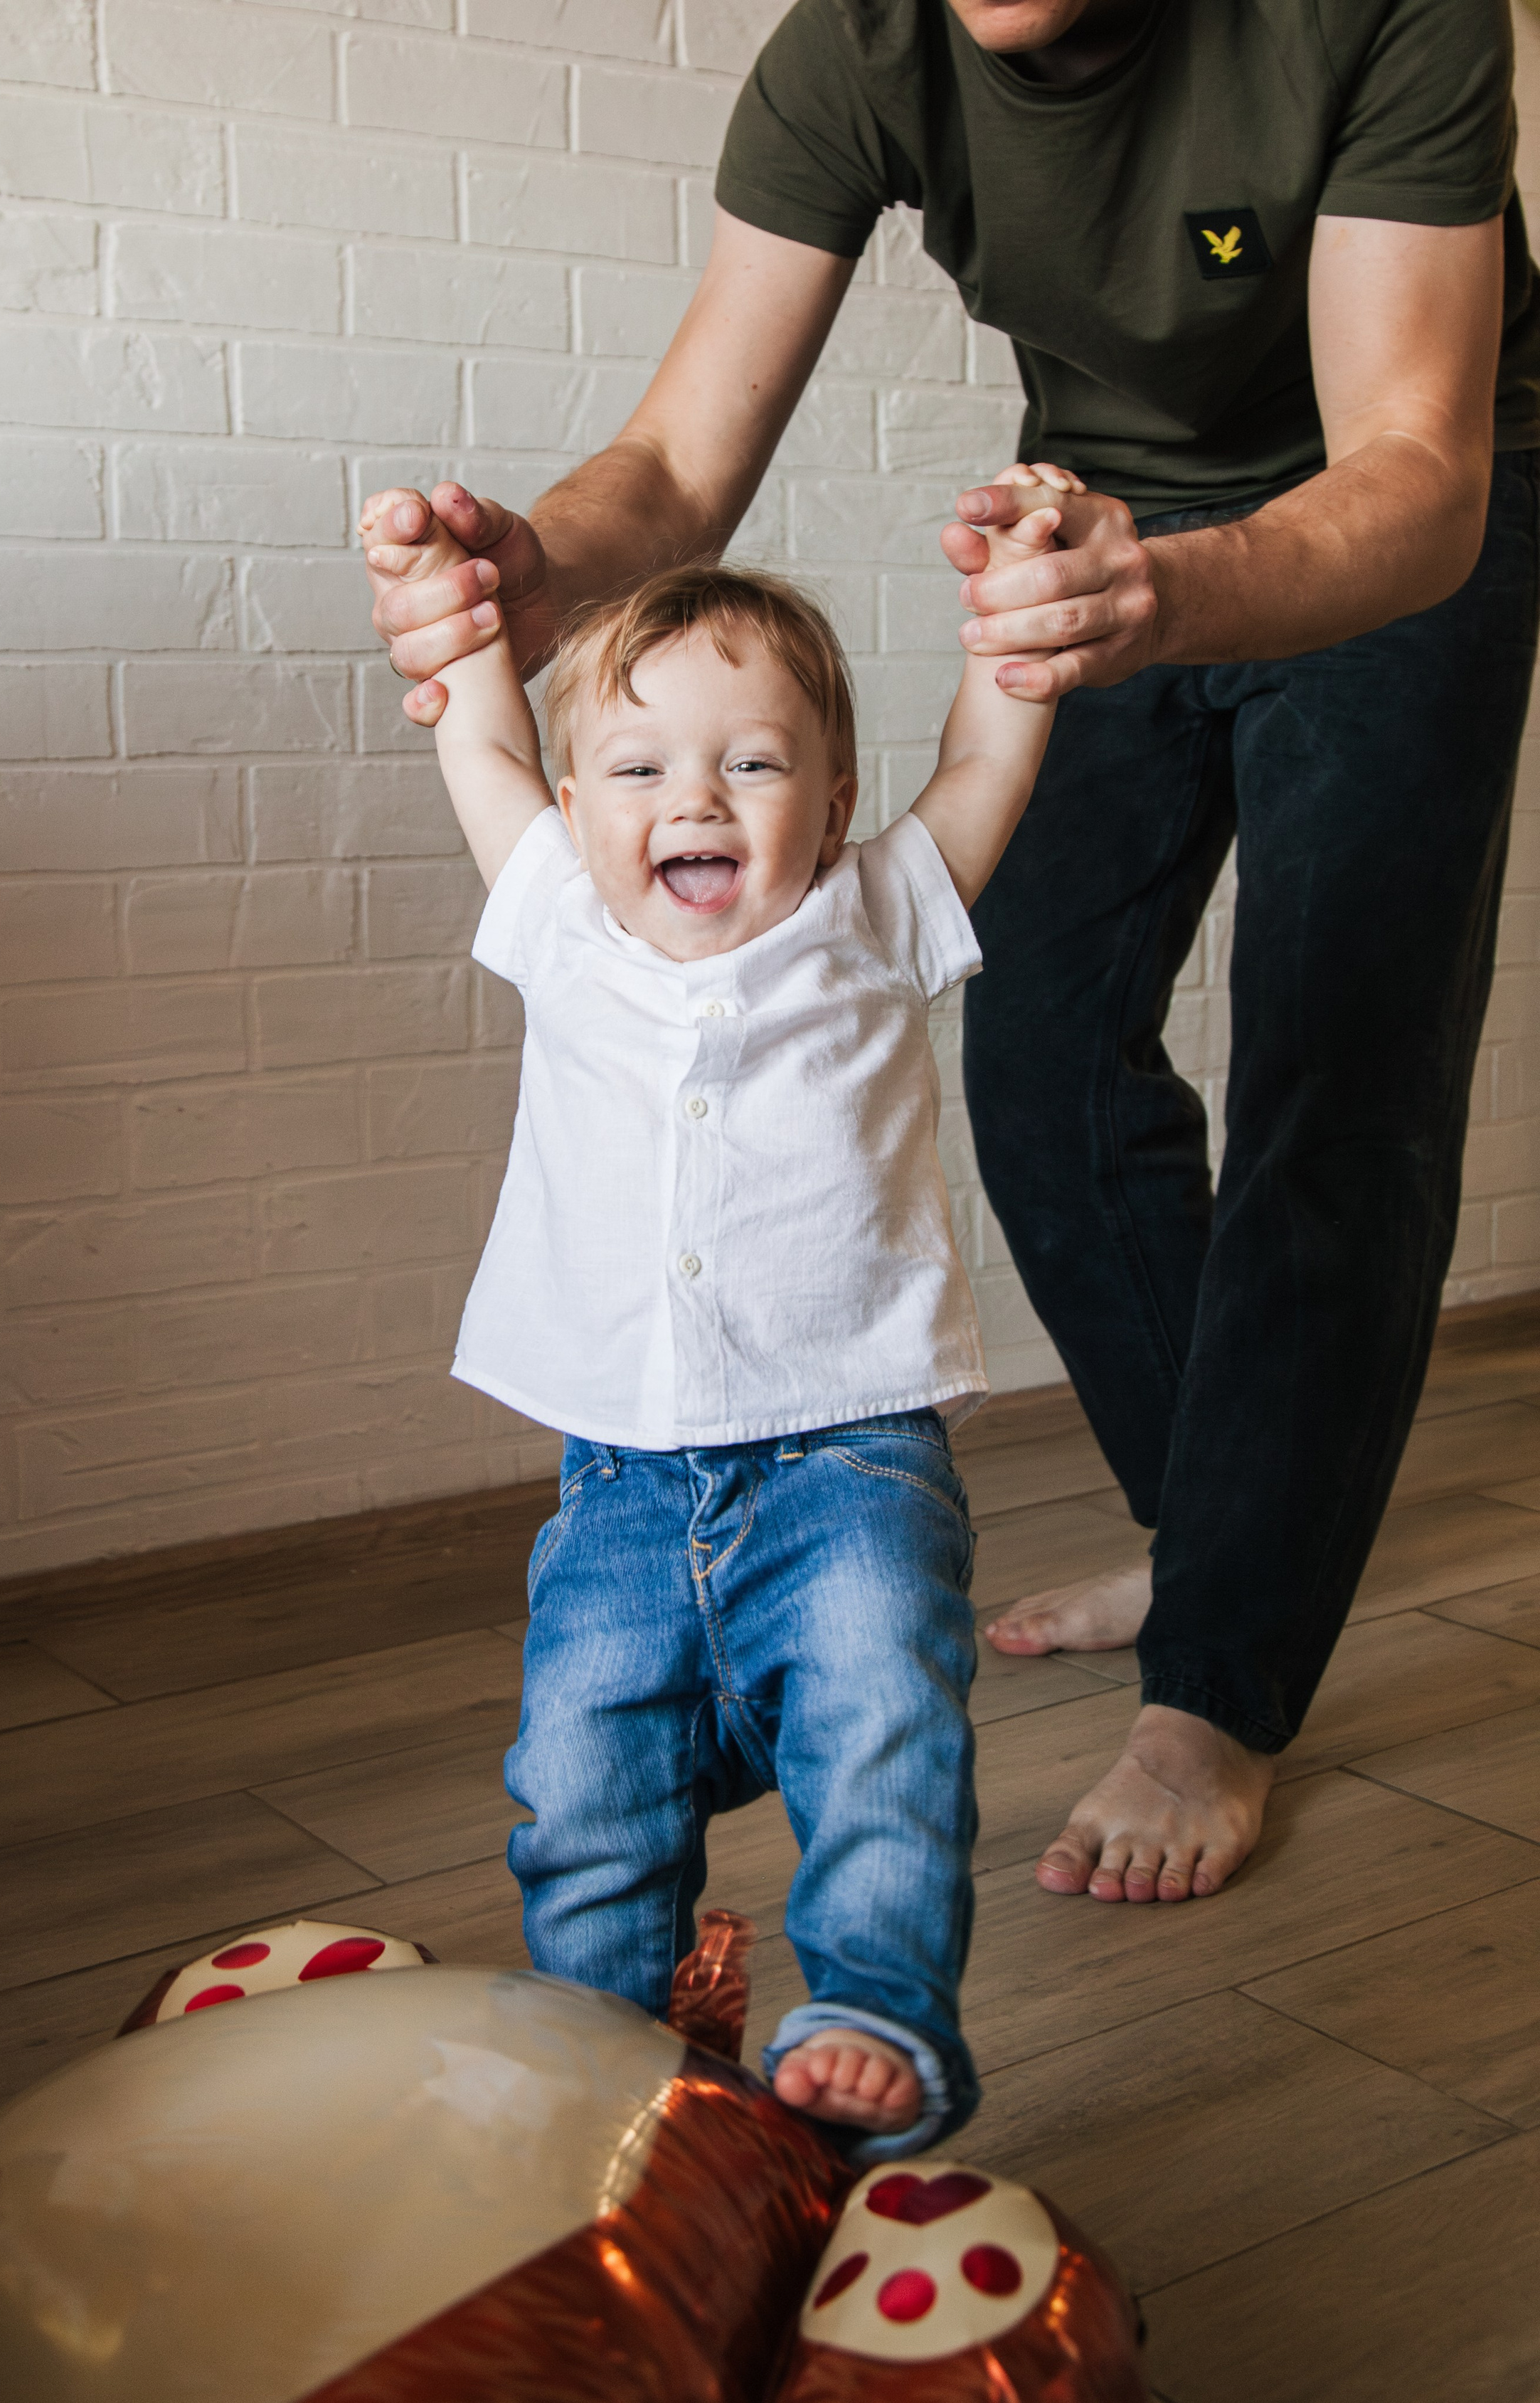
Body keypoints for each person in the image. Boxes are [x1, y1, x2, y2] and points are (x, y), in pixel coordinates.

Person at [363, 0, 1540, 1910]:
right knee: (1046, 1049)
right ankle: (1211, 1529)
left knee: (1343, 1085)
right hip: (1101, 510)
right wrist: (527, 564)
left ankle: (1219, 1689)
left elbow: (1417, 463)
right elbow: (667, 473)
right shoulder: (854, 49)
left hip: (1399, 528)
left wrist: (1169, 583)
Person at [358, 474, 1075, 2152]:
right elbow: (476, 749)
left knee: (883, 1735)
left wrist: (1017, 613)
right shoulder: (555, 921)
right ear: (581, 807)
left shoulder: (878, 915)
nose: (695, 797)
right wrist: (449, 601)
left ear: (830, 804)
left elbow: (980, 764)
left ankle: (870, 2017)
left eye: (751, 762)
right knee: (583, 1790)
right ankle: (613, 2060)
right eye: (636, 768)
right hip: (615, 1477)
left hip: (849, 1465)